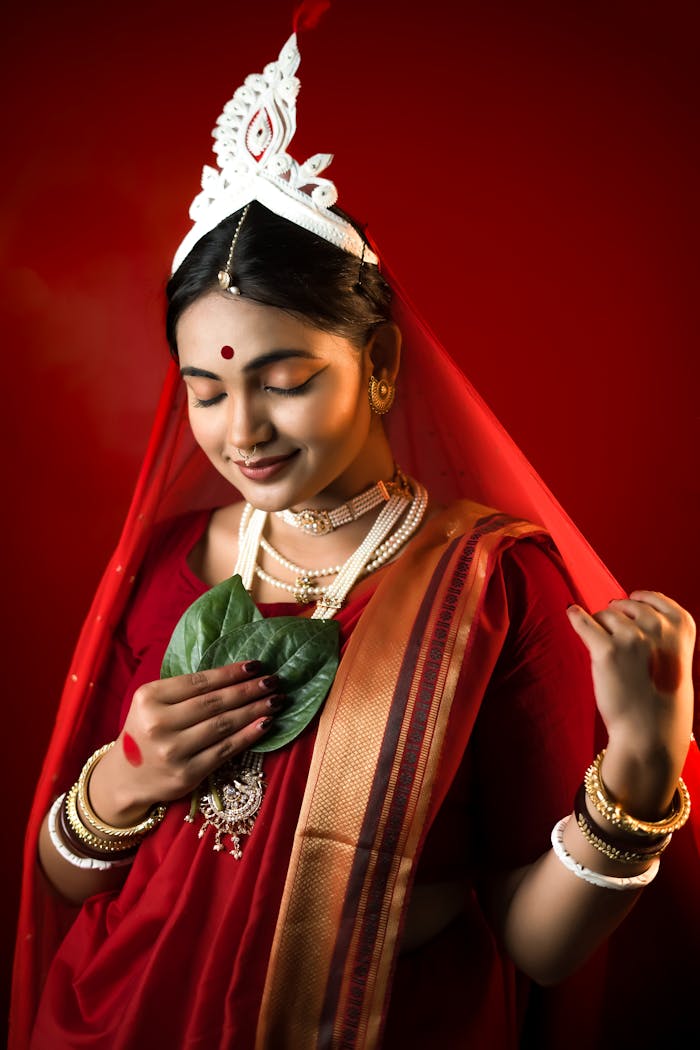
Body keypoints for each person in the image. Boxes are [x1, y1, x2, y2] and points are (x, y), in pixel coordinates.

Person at [11, 14, 699, 1050]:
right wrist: (123, 784)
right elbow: (68, 881)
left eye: (285, 382)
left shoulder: (494, 587)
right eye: (207, 391)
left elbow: (537, 945)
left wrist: (641, 773)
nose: (241, 431)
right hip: (128, 1013)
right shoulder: (170, 565)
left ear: (378, 364)